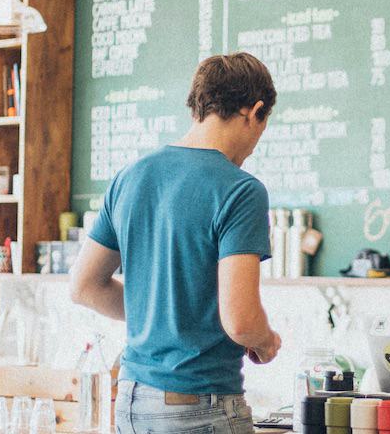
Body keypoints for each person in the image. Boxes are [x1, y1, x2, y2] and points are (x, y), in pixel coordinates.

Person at [70, 52, 283, 434]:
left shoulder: (130, 177)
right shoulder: (241, 190)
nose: (254, 145)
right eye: (261, 127)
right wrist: (266, 342)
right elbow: (241, 320)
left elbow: (84, 286)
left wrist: (160, 315)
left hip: (133, 400)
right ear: (255, 112)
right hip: (201, 405)